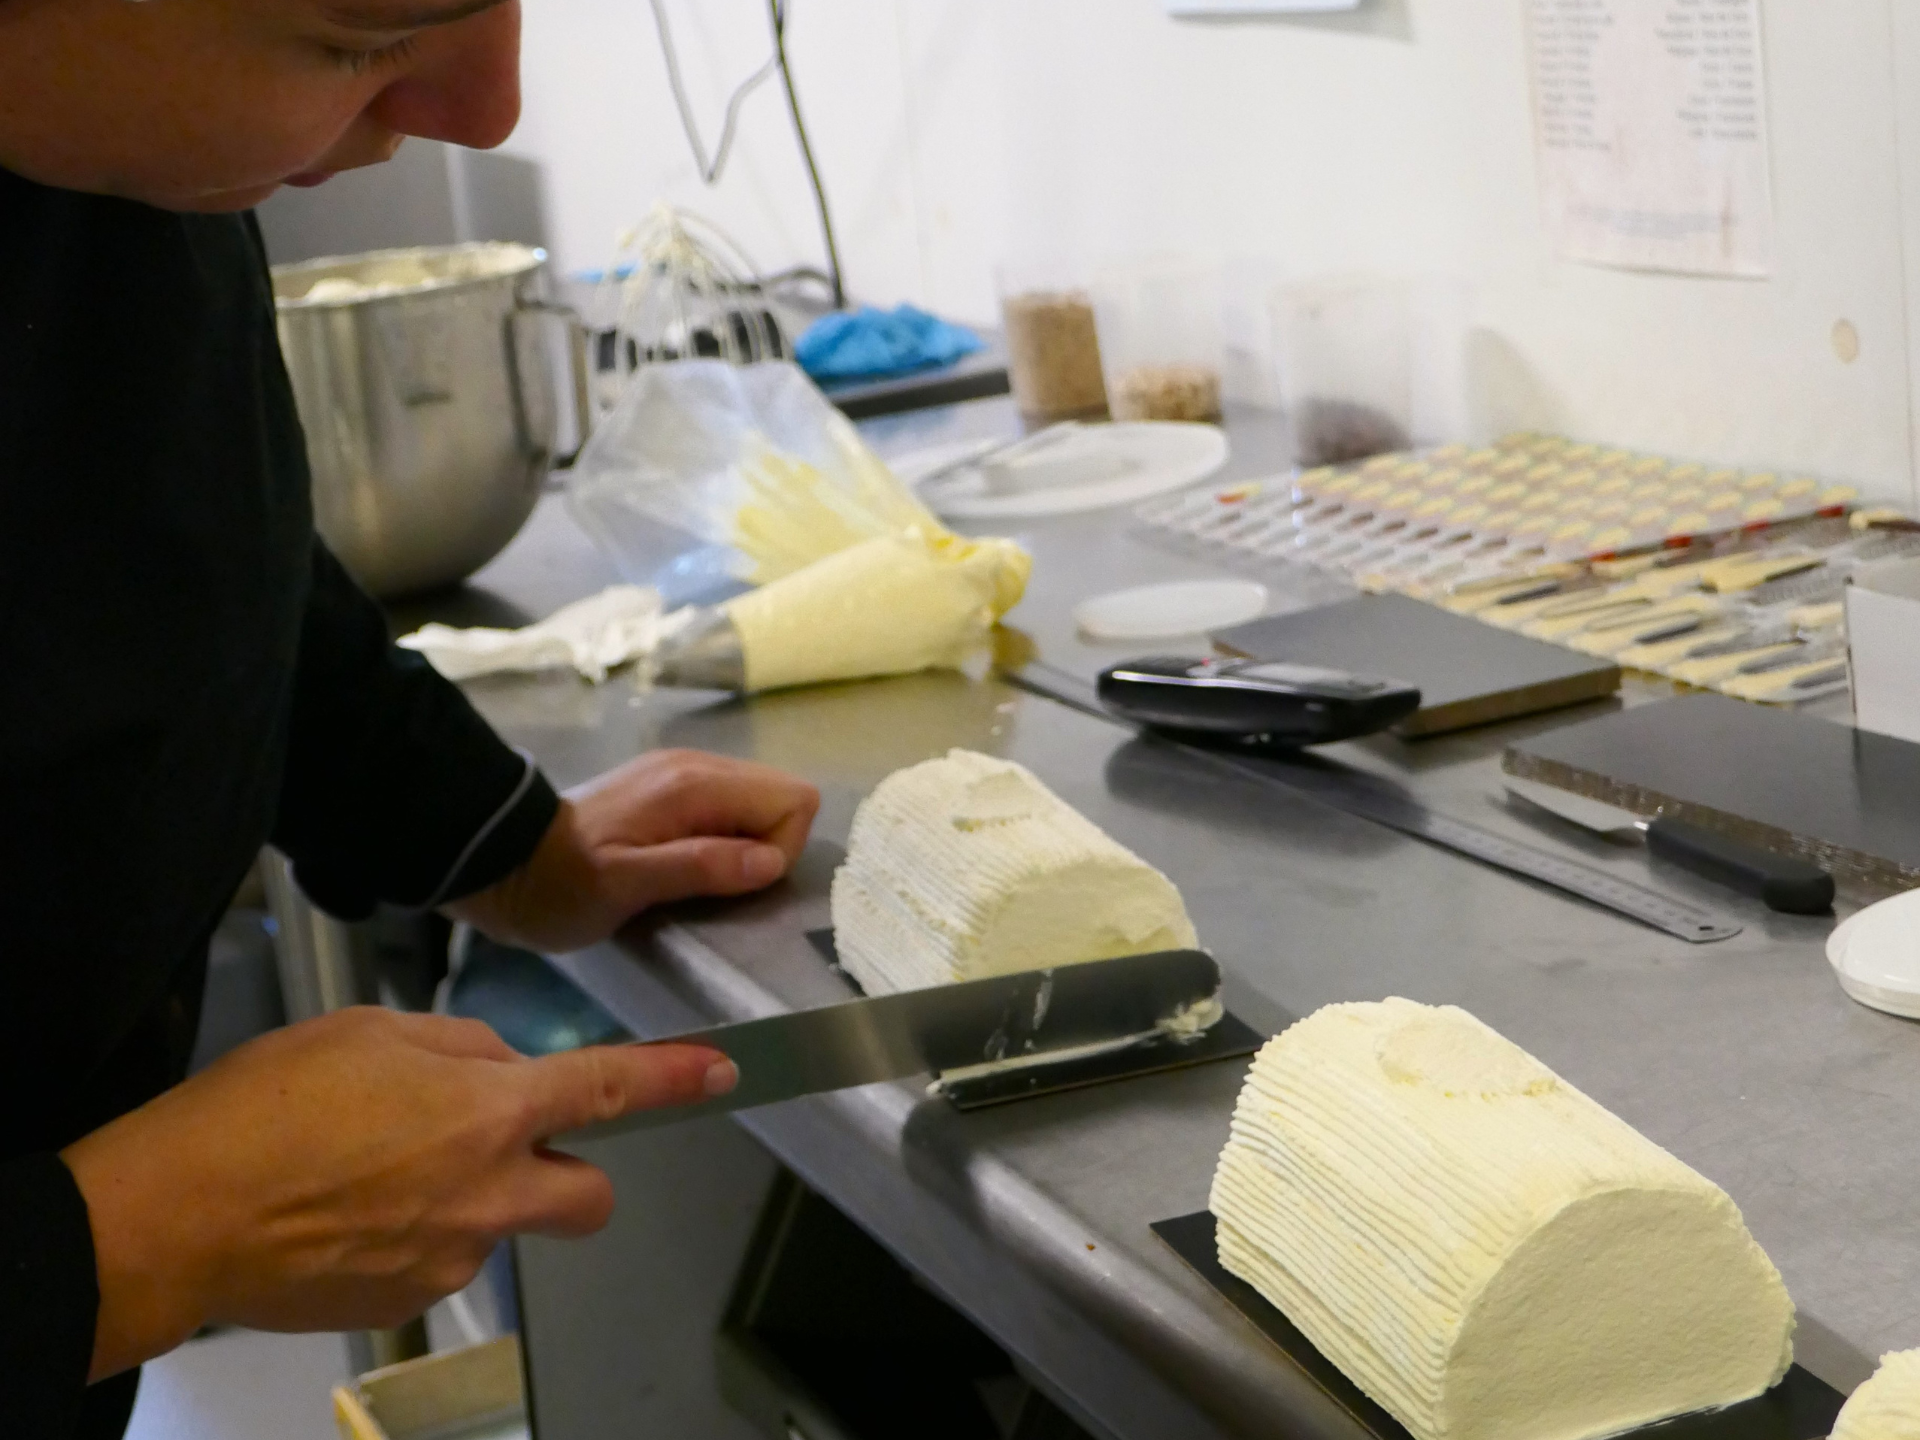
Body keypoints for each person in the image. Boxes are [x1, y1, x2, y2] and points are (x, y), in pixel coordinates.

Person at [0, 2, 822, 1434]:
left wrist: (492, 838)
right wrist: (120, 1249)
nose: (484, 108)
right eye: (353, 38)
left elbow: (183, 536)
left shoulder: (103, 171)